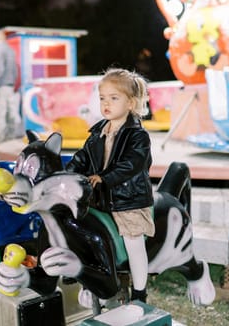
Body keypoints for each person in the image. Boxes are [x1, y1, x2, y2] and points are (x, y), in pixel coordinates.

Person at [65, 67, 155, 304]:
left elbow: (132, 164)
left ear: (130, 103)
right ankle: (85, 274)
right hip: (101, 198)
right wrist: (66, 174)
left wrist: (104, 177)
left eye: (114, 98)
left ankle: (140, 290)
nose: (106, 104)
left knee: (133, 241)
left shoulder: (137, 135)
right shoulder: (98, 133)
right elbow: (82, 157)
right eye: (103, 98)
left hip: (128, 199)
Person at [0, 29, 21, 145]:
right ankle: (12, 137)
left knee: (0, 113)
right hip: (10, 85)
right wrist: (13, 83)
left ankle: (0, 140)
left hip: (1, 85)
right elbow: (15, 69)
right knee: (12, 112)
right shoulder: (11, 50)